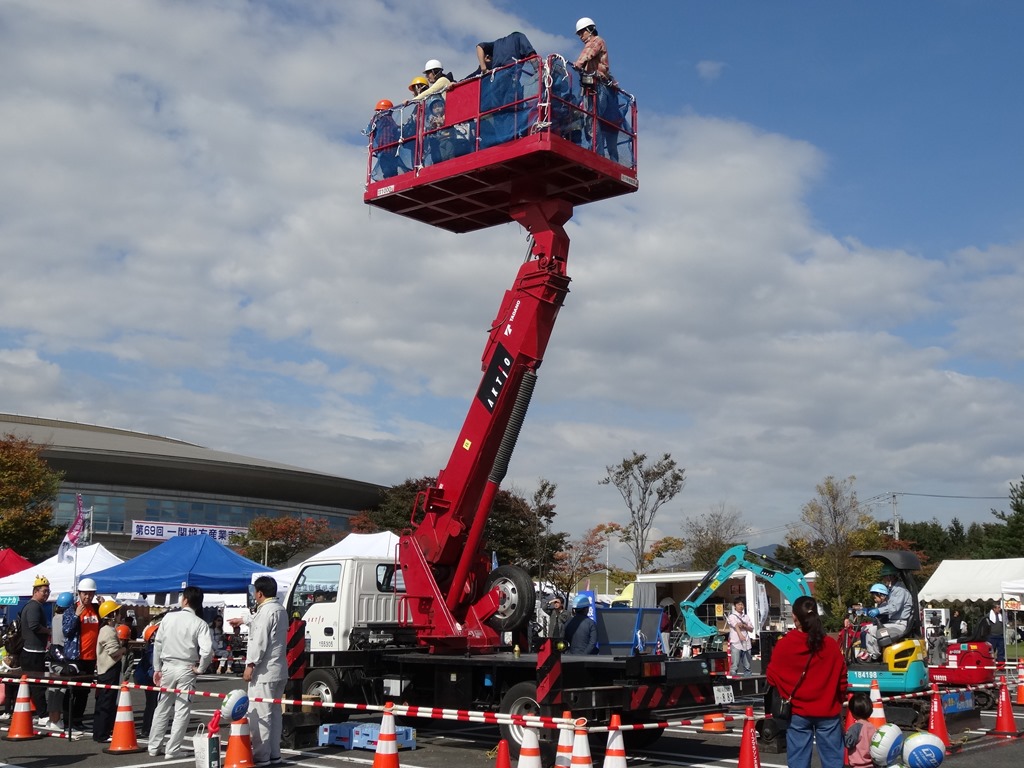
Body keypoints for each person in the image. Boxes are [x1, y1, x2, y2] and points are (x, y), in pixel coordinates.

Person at [766, 595, 847, 768]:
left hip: (797, 711)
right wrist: (838, 698)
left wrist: (786, 691)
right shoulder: (830, 645)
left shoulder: (785, 645)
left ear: (794, 616)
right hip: (828, 710)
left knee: (798, 761)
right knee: (833, 760)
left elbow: (772, 676)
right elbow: (842, 679)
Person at [148, 586, 214, 760]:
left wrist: (157, 668)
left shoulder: (169, 617)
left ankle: (154, 746)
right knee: (182, 710)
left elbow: (158, 644)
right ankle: (172, 749)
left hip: (167, 666)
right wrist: (201, 668)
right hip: (186, 668)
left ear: (184, 600)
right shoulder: (200, 623)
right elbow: (207, 651)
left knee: (162, 707)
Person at [245, 575, 288, 768]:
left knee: (260, 713)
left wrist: (250, 665)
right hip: (279, 669)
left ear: (259, 593)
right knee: (275, 713)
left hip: (264, 671)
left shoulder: (265, 612)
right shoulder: (280, 610)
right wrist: (245, 620)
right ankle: (274, 753)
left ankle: (261, 755)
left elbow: (259, 641)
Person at [573, 17, 620, 162]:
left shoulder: (596, 41)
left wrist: (578, 64)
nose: (580, 36)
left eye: (582, 32)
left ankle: (596, 154)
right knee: (594, 120)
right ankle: (600, 153)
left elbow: (588, 53)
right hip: (597, 86)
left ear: (590, 30)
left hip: (597, 87)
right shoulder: (599, 44)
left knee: (592, 119)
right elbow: (604, 68)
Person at [67, 578, 100, 728]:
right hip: (76, 656)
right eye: (85, 594)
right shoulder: (72, 609)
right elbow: (66, 631)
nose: (88, 597)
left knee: (84, 691)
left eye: (90, 594)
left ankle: (78, 720)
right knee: (72, 690)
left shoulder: (96, 609)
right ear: (79, 594)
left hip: (91, 657)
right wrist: (75, 616)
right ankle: (68, 720)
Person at [859, 568, 913, 662]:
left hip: (899, 624)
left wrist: (878, 611)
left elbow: (894, 607)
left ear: (891, 576)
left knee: (871, 631)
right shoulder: (893, 590)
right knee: (865, 628)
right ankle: (869, 653)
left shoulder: (900, 590)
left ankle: (873, 657)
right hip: (893, 623)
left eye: (885, 577)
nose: (884, 580)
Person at [92, 599, 125, 743]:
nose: (119, 615)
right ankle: (102, 734)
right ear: (112, 615)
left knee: (106, 702)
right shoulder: (108, 631)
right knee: (106, 702)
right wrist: (124, 649)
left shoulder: (106, 630)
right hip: (109, 670)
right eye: (117, 612)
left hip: (106, 670)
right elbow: (114, 653)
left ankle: (102, 732)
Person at [20, 575, 51, 725]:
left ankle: (37, 712)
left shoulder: (32, 605)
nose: (47, 594)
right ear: (35, 591)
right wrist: (48, 631)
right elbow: (34, 626)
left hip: (32, 651)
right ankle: (43, 715)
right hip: (33, 652)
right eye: (44, 591)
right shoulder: (34, 606)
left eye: (48, 591)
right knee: (37, 685)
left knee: (33, 685)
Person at [42, 591, 75, 731]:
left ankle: (52, 719)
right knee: (60, 690)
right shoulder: (66, 619)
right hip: (62, 655)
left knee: (53, 689)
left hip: (53, 654)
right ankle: (56, 720)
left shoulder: (55, 617)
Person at [366, 99, 404, 180]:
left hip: (385, 149)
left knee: (386, 169)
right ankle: (391, 177)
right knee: (391, 168)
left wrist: (372, 121)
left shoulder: (384, 120)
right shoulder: (390, 122)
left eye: (379, 111)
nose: (378, 114)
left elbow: (370, 129)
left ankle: (389, 179)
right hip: (389, 149)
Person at [134, 622, 159, 734]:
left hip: (149, 679)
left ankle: (148, 728)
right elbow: (154, 666)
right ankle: (147, 728)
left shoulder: (150, 648)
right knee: (152, 704)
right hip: (151, 680)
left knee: (152, 704)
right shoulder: (153, 650)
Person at [844, 692, 878, 768]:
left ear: (852, 712)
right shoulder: (872, 727)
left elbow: (848, 743)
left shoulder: (855, 727)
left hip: (857, 765)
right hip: (871, 765)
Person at [726, 598, 755, 675]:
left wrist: (744, 626)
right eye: (738, 604)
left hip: (746, 643)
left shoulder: (746, 617)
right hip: (736, 643)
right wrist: (740, 635)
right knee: (734, 666)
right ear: (735, 606)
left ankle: (749, 682)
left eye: (742, 604)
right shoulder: (732, 616)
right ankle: (733, 682)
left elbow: (751, 629)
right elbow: (735, 626)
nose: (740, 606)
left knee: (747, 666)